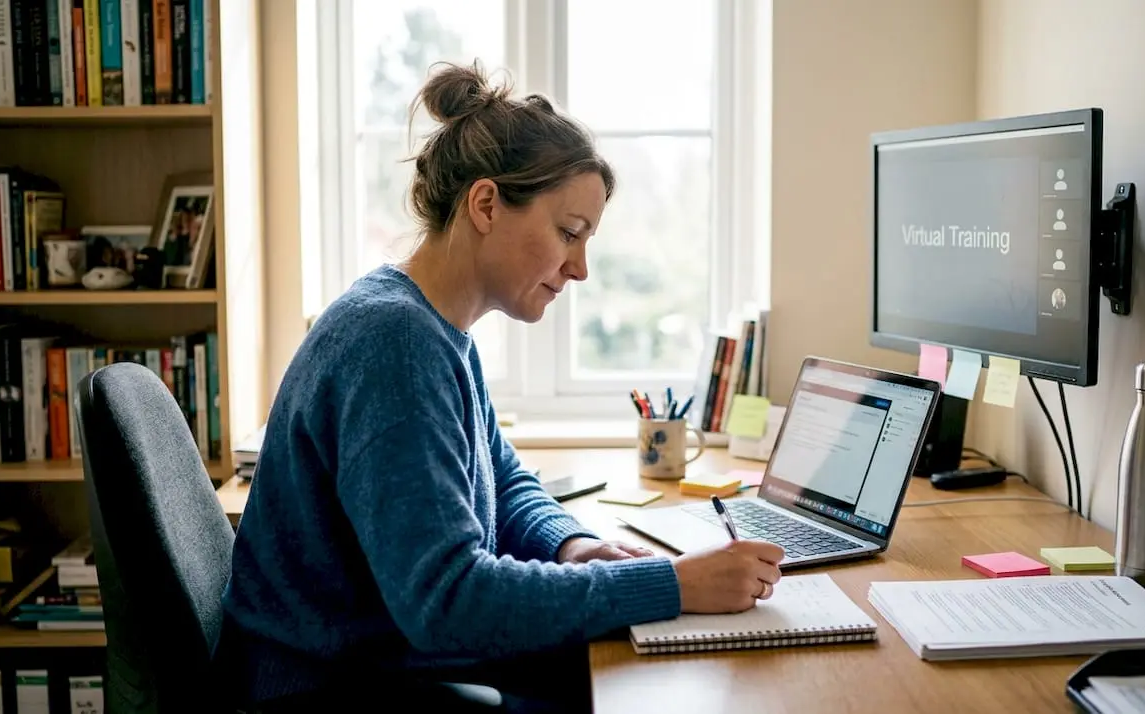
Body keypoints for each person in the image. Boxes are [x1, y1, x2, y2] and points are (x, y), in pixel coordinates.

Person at [215, 60, 785, 713]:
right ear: (486, 204)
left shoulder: (433, 328)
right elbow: (447, 601)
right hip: (326, 690)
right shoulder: (394, 345)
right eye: (569, 233)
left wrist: (574, 546)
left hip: (375, 662)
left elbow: (506, 483)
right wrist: (672, 586)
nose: (581, 268)